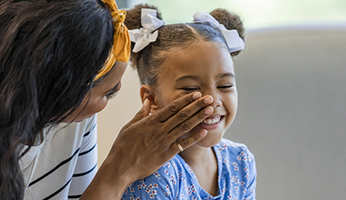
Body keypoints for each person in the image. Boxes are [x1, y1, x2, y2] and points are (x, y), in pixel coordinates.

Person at [0, 0, 216, 199]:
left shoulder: (76, 121)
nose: (212, 99)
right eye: (108, 93)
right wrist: (119, 169)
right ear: (61, 90)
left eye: (225, 85)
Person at [121, 4, 257, 200]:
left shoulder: (241, 161)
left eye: (225, 85)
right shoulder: (153, 175)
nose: (212, 100)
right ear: (151, 99)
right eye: (191, 89)